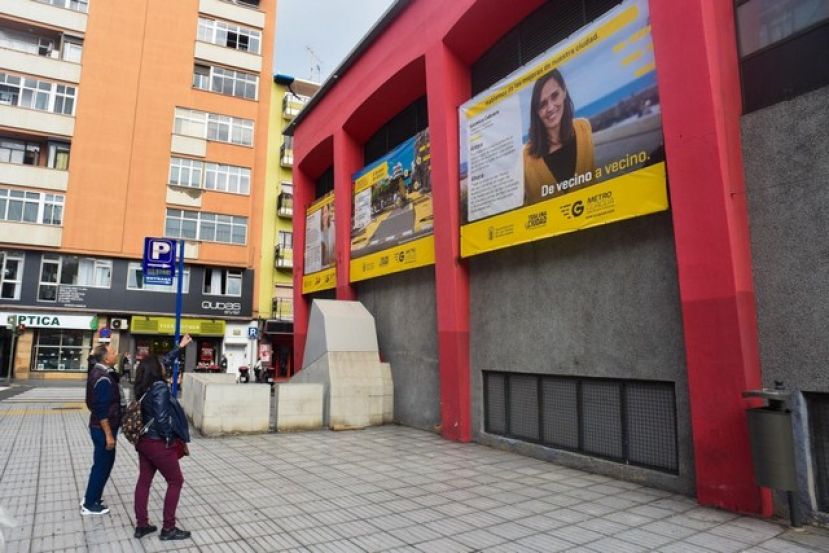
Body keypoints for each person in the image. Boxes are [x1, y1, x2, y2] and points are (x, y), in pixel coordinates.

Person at [133, 334, 192, 541]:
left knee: (144, 481)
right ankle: (168, 529)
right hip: (158, 441)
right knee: (176, 480)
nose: (165, 365)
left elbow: (164, 360)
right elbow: (161, 417)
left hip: (144, 441)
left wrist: (179, 347)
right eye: (162, 365)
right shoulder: (159, 387)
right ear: (157, 370)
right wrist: (169, 439)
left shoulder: (144, 383)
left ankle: (142, 525)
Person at [523, 69, 595, 205]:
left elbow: (593, 179)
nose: (550, 108)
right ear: (536, 112)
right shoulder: (526, 158)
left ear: (564, 92)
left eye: (554, 95)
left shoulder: (584, 128)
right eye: (542, 104)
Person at [82, 344, 121, 516]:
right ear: (106, 358)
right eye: (113, 352)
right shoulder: (103, 378)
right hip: (103, 428)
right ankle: (90, 504)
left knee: (102, 464)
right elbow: (101, 409)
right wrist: (109, 435)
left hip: (99, 427)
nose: (116, 354)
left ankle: (93, 497)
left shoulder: (98, 373)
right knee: (102, 465)